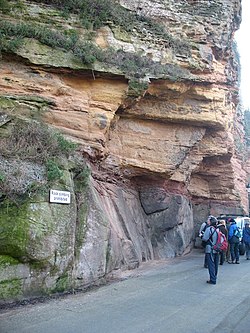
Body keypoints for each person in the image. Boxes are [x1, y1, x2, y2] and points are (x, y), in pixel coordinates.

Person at [202, 216, 219, 285]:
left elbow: (205, 238)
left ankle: (213, 279)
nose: (207, 221)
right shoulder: (217, 229)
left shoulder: (209, 229)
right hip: (217, 248)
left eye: (209, 220)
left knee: (211, 264)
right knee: (215, 264)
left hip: (210, 248)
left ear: (210, 222)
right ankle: (214, 276)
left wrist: (202, 235)